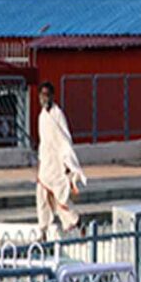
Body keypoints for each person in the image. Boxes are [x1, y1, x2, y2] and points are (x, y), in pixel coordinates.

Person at [36, 80, 87, 239]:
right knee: (42, 196)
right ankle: (43, 230)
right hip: (46, 164)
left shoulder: (58, 115)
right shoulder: (42, 116)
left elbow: (64, 141)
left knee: (61, 199)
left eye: (47, 95)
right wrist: (40, 162)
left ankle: (78, 222)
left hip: (58, 165)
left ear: (52, 96)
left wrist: (68, 164)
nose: (44, 98)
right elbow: (44, 142)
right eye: (42, 95)